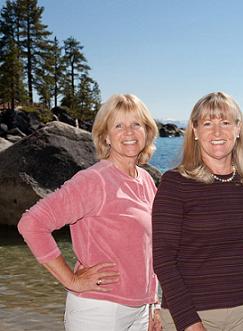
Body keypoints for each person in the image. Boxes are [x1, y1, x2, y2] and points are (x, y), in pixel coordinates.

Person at [17, 94, 160, 331]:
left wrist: (154, 302)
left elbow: (150, 247)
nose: (129, 132)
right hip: (98, 312)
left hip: (140, 311)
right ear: (105, 136)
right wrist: (71, 279)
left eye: (136, 124)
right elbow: (32, 224)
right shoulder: (94, 181)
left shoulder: (145, 180)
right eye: (119, 125)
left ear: (147, 131)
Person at [152, 91, 243, 331]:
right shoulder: (175, 182)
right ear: (194, 131)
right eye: (207, 123)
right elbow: (163, 259)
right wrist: (189, 322)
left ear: (238, 129)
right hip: (190, 314)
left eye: (225, 123)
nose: (217, 132)